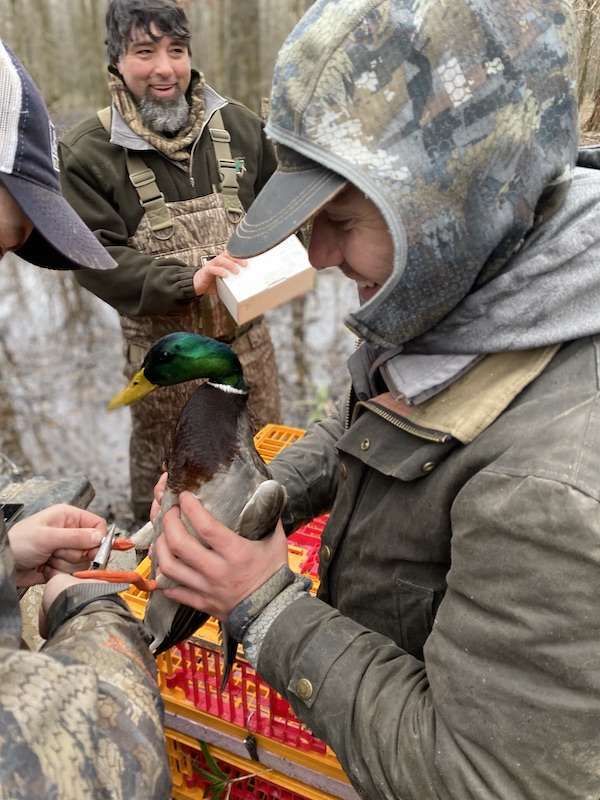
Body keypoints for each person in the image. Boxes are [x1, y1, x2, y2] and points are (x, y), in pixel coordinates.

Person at [151, 0, 600, 798]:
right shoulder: (479, 280)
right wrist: (257, 498)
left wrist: (263, 606)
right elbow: (381, 403)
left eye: (344, 220)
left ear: (454, 209)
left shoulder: (551, 492)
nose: (317, 255)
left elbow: (482, 778)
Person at [0, 39, 170, 797]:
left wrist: (5, 559)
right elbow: (96, 766)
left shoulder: (224, 129)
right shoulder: (101, 143)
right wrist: (92, 609)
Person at [58, 0, 282, 527]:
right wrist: (189, 280)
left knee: (266, 487)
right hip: (163, 365)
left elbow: (283, 210)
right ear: (116, 60)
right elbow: (93, 257)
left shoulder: (242, 129)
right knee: (172, 505)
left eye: (176, 50)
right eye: (145, 51)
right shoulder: (87, 154)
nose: (165, 67)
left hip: (251, 350)